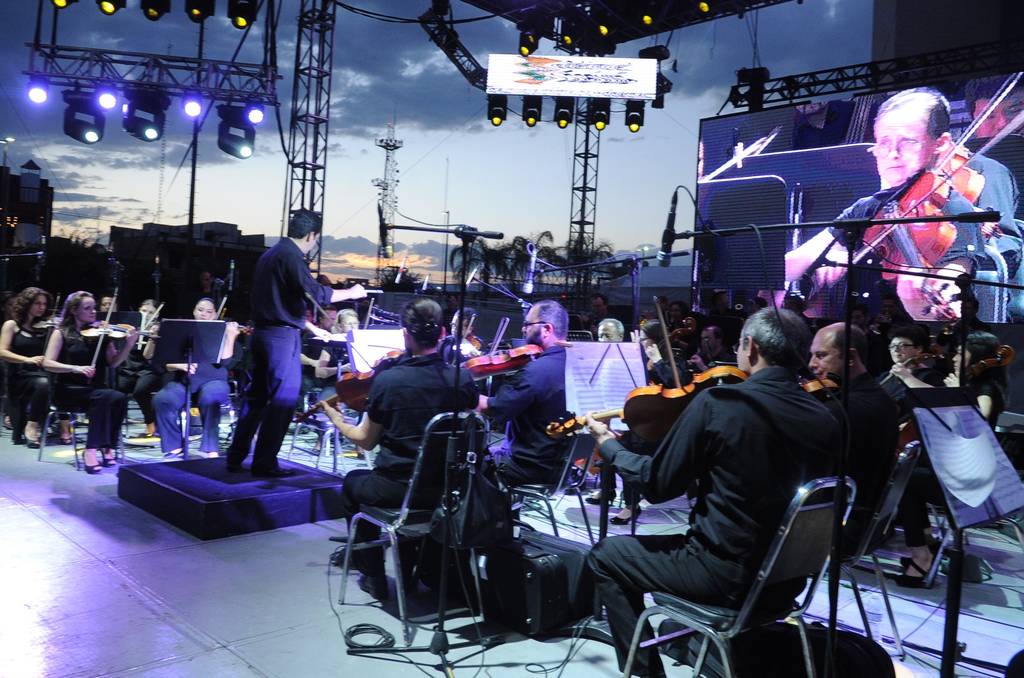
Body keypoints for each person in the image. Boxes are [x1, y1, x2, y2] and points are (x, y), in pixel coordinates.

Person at [583, 308, 840, 676]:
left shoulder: (721, 405)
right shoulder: (824, 417)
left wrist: (609, 445)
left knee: (606, 555)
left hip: (723, 577)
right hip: (786, 585)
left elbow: (656, 485)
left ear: (750, 348)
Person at [785, 87, 1021, 321]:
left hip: (975, 306)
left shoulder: (982, 173)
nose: (893, 154)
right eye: (884, 143)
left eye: (908, 142)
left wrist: (960, 263)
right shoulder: (882, 200)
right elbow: (808, 255)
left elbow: (1007, 250)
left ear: (940, 143)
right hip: (884, 311)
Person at [319, 298, 478, 599]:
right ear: (443, 332)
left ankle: (373, 574)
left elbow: (365, 440)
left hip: (400, 489)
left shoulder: (389, 381)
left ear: (405, 335)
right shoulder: (461, 378)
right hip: (449, 489)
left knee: (353, 482)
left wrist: (335, 417)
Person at [225, 209, 366, 478]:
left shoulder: (271, 254)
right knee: (284, 399)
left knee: (256, 399)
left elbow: (281, 299)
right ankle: (264, 463)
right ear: (312, 235)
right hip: (281, 339)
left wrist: (310, 326)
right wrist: (352, 292)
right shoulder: (292, 256)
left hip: (263, 334)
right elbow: (315, 293)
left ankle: (236, 456)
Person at [895, 330, 1008, 587]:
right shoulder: (971, 386)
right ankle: (927, 543)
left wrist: (955, 393)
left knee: (906, 481)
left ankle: (922, 553)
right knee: (911, 472)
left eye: (960, 352)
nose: (954, 357)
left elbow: (972, 428)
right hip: (962, 473)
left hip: (973, 483)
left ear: (977, 355)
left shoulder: (986, 390)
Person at [809, 322, 899, 555]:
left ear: (850, 357)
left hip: (839, 529)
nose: (812, 365)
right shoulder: (884, 400)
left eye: (821, 356)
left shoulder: (843, 409)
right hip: (872, 527)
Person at [477, 299, 570, 487]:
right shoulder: (578, 365)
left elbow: (494, 409)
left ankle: (494, 515)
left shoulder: (536, 372)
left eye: (528, 324)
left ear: (547, 329)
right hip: (564, 467)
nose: (523, 329)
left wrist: (462, 388)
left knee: (465, 461)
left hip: (529, 467)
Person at [43, 291, 138, 474]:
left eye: (94, 307)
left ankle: (107, 445)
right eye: (87, 308)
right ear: (73, 310)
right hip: (68, 390)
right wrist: (75, 368)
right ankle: (91, 449)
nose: (93, 312)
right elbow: (47, 363)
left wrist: (128, 344)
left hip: (94, 390)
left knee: (118, 397)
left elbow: (114, 362)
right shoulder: (61, 332)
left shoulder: (101, 334)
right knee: (105, 396)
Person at [149, 298, 240, 459]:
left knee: (211, 397)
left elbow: (225, 361)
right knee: (163, 399)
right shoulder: (182, 331)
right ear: (194, 311)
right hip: (184, 382)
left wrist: (231, 336)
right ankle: (174, 446)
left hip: (214, 381)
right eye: (200, 310)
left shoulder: (221, 331)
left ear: (214, 315)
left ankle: (209, 447)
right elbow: (163, 363)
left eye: (208, 312)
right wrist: (180, 365)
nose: (204, 314)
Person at [0, 287, 53, 447]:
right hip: (19, 376)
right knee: (43, 383)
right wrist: (27, 359)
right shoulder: (12, 325)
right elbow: (2, 351)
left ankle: (34, 423)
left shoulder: (45, 327)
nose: (42, 307)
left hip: (40, 374)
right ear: (26, 303)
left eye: (44, 304)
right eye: (37, 303)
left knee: (45, 382)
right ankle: (29, 424)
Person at [880, 323, 947, 416]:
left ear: (918, 349)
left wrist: (906, 376)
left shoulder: (930, 375)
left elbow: (937, 399)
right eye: (892, 346)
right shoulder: (885, 375)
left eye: (902, 345)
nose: (895, 350)